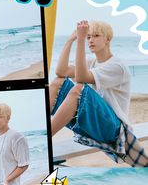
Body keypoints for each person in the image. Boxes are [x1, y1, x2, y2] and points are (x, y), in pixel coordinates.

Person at [50, 20, 148, 166]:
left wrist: (81, 40)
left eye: (95, 35)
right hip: (95, 121)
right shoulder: (92, 63)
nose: (90, 40)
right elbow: (61, 71)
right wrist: (71, 39)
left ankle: (47, 137)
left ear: (108, 39)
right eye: (88, 37)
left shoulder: (117, 66)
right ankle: (44, 132)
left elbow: (82, 78)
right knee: (58, 82)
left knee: (78, 90)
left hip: (113, 128)